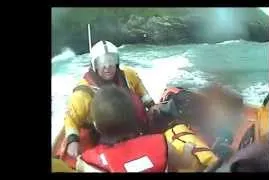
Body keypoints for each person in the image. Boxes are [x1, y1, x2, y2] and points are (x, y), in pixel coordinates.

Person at [75, 85, 221, 172]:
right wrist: (188, 148)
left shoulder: (87, 162)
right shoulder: (161, 143)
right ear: (133, 120)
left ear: (96, 125)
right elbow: (187, 162)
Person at [55, 40, 155, 168]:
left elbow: (142, 91)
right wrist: (72, 140)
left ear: (117, 61)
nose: (107, 66)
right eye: (101, 62)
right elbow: (71, 118)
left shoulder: (129, 75)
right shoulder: (83, 93)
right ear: (94, 64)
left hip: (131, 127)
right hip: (101, 135)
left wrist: (152, 106)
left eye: (111, 60)